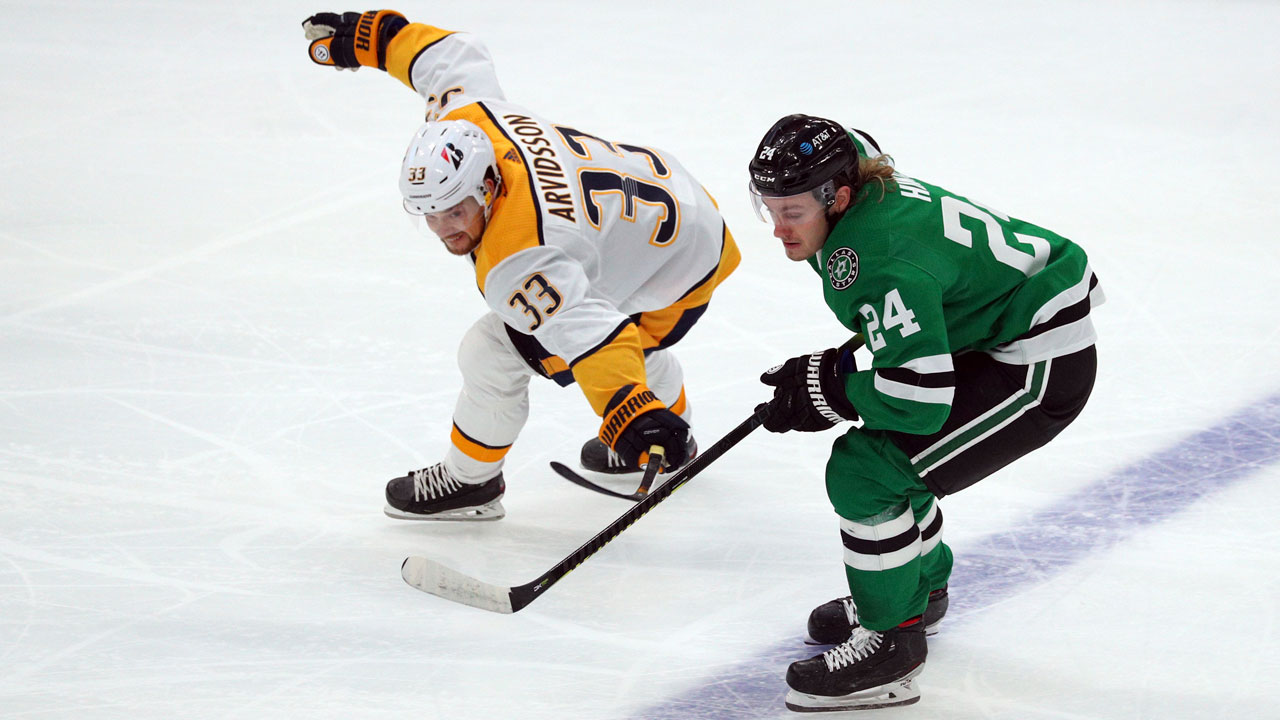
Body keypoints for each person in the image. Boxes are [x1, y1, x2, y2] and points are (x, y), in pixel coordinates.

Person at [300, 11, 739, 521]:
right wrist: (374, 37)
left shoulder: (519, 257)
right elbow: (446, 56)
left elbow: (593, 336)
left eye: (456, 210)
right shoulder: (470, 119)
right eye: (430, 214)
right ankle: (670, 429)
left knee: (491, 352)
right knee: (616, 323)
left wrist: (630, 411)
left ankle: (469, 482)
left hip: (675, 274)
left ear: (486, 186)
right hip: (677, 205)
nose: (445, 229)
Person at [748, 114, 1102, 711]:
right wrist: (835, 378)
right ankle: (918, 589)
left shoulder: (876, 255)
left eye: (793, 212)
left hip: (1037, 364)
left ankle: (893, 646)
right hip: (998, 329)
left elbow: (918, 400)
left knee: (867, 469)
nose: (779, 229)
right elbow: (859, 142)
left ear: (837, 198)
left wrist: (828, 392)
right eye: (770, 208)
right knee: (890, 455)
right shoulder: (859, 176)